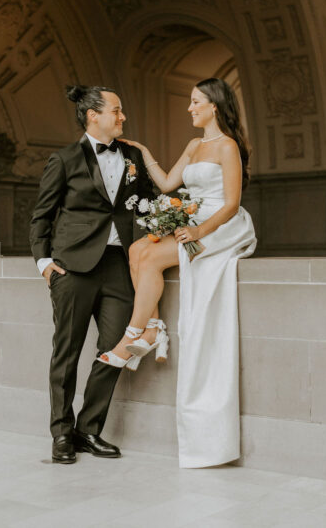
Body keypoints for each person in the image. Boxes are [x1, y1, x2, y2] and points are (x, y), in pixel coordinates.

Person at [98, 77, 257, 468]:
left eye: (195, 101)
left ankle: (136, 336)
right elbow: (169, 183)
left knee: (149, 258)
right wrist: (145, 153)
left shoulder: (228, 147)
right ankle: (151, 327)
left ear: (214, 106)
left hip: (220, 225)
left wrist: (199, 230)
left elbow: (233, 203)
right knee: (138, 249)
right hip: (191, 217)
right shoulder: (193, 145)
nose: (190, 108)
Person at [29, 85, 154, 464]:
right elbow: (42, 215)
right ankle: (62, 433)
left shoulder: (132, 155)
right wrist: (44, 264)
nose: (123, 117)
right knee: (66, 353)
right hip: (73, 268)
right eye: (116, 111)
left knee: (117, 348)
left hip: (121, 267)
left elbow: (146, 202)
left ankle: (88, 430)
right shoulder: (65, 159)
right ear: (92, 115)